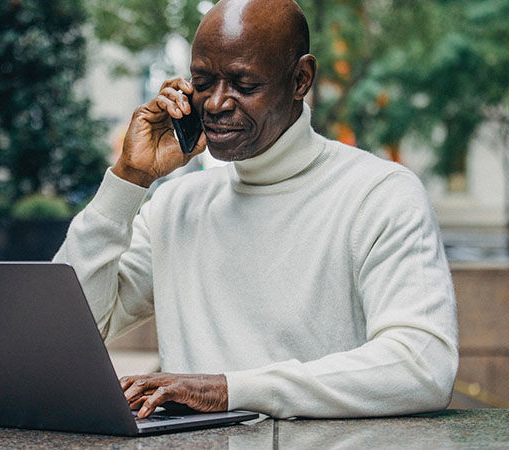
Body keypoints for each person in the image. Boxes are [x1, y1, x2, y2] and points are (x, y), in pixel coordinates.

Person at [53, 0, 458, 419]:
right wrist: (128, 179)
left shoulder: (379, 194)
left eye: (243, 84)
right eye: (203, 82)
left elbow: (422, 366)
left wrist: (233, 390)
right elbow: (64, 333)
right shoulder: (175, 207)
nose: (215, 103)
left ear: (300, 79)